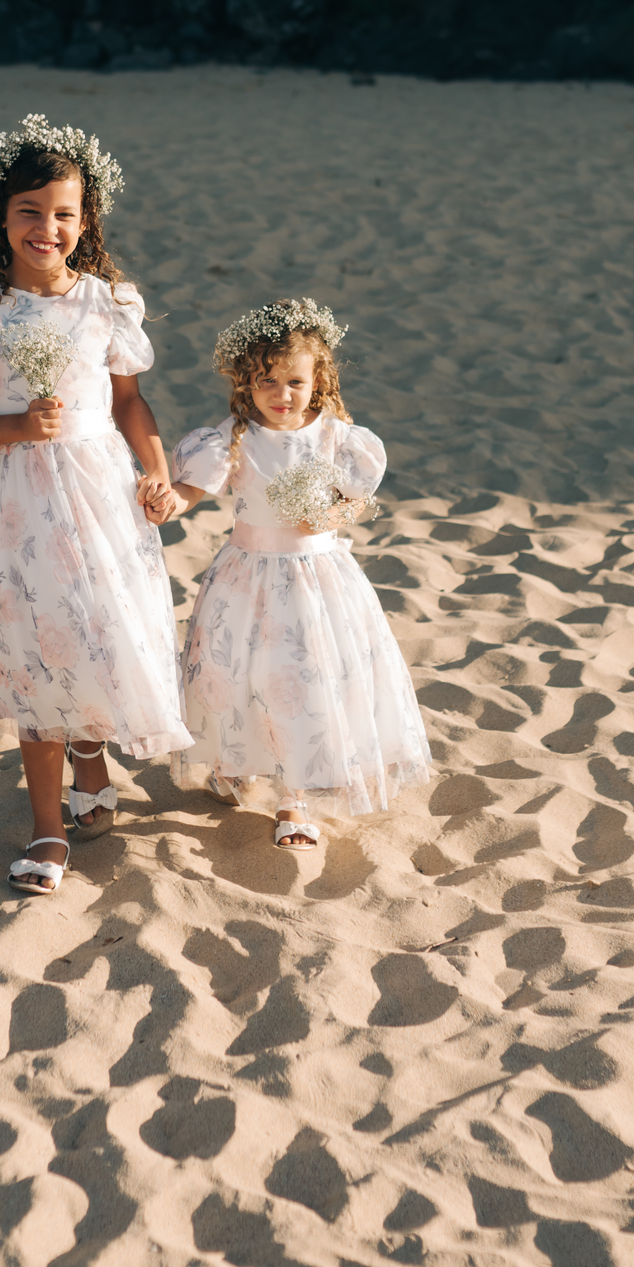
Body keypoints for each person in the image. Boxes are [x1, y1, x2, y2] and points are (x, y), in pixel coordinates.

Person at [0, 113, 191, 896]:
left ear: (85, 221)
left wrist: (155, 472)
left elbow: (130, 403)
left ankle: (91, 755)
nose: (48, 227)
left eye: (64, 214)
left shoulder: (106, 304)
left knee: (100, 632)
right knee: (35, 649)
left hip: (103, 491)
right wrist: (12, 424)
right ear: (0, 219)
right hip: (14, 502)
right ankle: (45, 828)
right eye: (30, 211)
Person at [152, 297, 430, 852]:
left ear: (318, 380)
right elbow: (194, 491)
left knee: (305, 679)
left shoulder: (337, 439)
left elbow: (352, 501)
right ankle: (238, 762)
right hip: (247, 577)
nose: (282, 395)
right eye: (267, 382)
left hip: (318, 580)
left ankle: (294, 797)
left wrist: (328, 515)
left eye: (295, 383)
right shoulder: (233, 440)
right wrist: (170, 504)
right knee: (243, 676)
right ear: (245, 384)